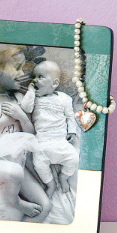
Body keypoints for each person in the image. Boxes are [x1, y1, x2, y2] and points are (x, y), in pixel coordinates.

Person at [0, 45, 53, 222]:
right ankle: (15, 201)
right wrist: (5, 121)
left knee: (45, 206)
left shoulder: (19, 99)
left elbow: (30, 136)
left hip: (17, 161)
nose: (22, 74)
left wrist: (22, 117)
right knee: (13, 171)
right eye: (17, 67)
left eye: (23, 69)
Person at [19, 60, 80, 199]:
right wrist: (30, 92)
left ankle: (63, 177)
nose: (34, 80)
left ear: (54, 83)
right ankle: (51, 184)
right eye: (33, 77)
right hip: (42, 143)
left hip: (60, 142)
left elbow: (70, 116)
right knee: (39, 165)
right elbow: (25, 108)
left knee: (74, 159)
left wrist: (72, 131)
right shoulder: (34, 99)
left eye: (40, 77)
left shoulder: (64, 99)